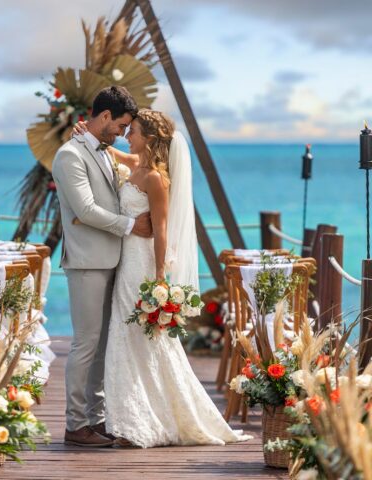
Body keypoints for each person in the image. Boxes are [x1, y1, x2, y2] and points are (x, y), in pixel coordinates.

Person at [74, 109, 252, 448]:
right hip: (125, 261)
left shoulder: (156, 177)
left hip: (141, 265)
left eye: (135, 131)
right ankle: (131, 417)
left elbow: (162, 231)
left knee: (139, 338)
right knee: (126, 338)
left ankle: (139, 423)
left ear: (150, 139)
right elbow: (112, 151)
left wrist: (158, 277)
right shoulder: (136, 166)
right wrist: (86, 132)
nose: (128, 135)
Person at [52, 86, 153, 447]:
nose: (124, 133)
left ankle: (94, 419)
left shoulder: (104, 151)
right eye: (122, 125)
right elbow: (85, 210)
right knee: (85, 343)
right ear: (105, 116)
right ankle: (75, 423)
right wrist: (131, 226)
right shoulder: (69, 156)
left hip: (115, 260)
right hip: (87, 263)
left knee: (102, 345)